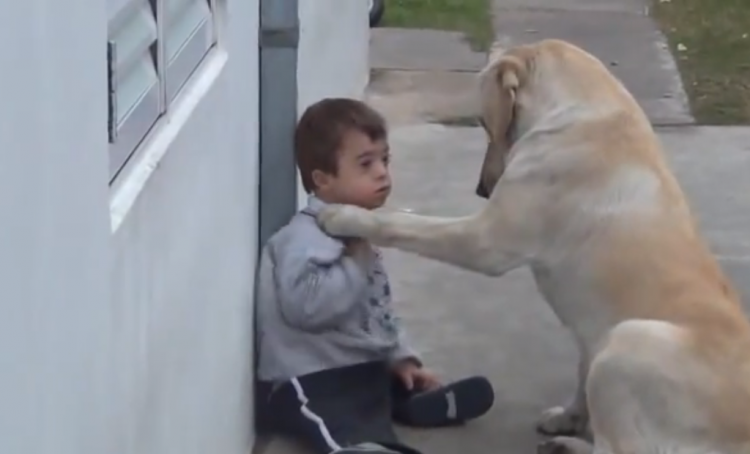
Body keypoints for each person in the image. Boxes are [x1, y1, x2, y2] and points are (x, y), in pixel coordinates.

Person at [255, 98, 495, 454]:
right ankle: (367, 444)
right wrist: (355, 263)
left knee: (376, 390)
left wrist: (401, 355)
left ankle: (408, 399)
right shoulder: (304, 237)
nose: (382, 172)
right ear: (323, 180)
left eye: (384, 160)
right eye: (365, 164)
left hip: (357, 369)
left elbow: (377, 309)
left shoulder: (360, 234)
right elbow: (306, 307)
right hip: (309, 380)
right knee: (344, 422)